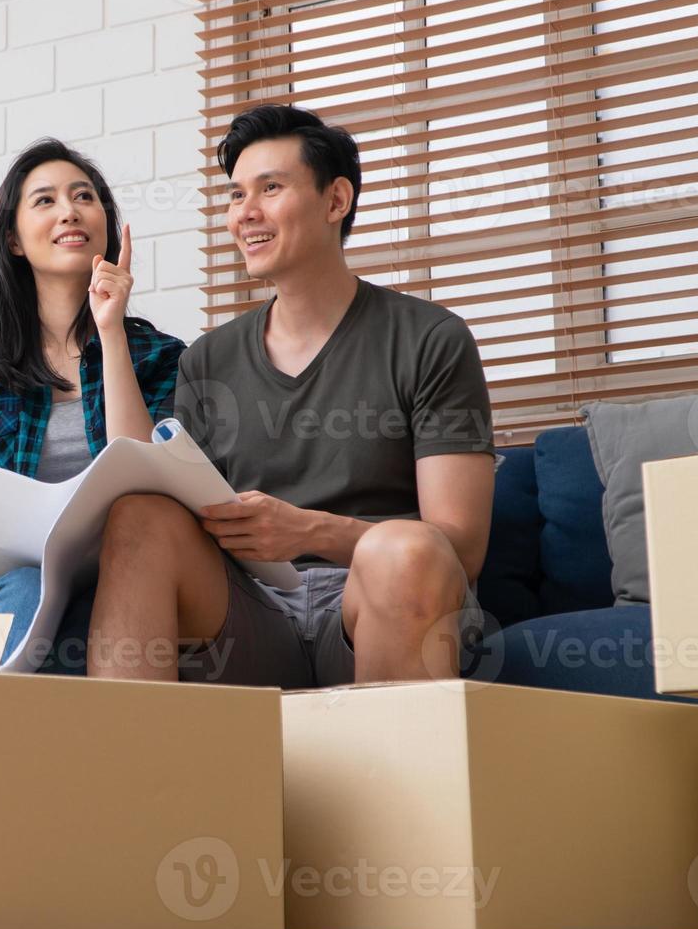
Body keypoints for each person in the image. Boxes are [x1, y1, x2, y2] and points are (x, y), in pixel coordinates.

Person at [86, 104, 496, 686]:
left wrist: (310, 532)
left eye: (270, 188)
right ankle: (132, 775)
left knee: (407, 550)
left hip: (377, 603)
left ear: (335, 201)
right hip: (254, 614)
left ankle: (394, 775)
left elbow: (460, 549)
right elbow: (138, 484)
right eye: (235, 196)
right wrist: (110, 328)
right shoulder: (208, 360)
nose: (245, 214)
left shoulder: (430, 338)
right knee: (137, 516)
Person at [0, 138, 186, 669]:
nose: (70, 211)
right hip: (5, 599)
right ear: (14, 240)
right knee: (24, 587)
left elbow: (144, 484)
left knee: (105, 604)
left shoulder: (160, 357)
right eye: (45, 200)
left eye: (84, 196)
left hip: (117, 595)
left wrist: (110, 332)